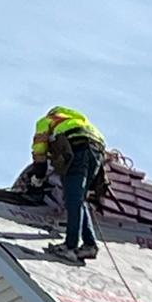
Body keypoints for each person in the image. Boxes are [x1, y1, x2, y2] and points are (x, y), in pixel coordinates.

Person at [30, 107, 107, 265]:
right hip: (97, 150)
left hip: (78, 148)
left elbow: (39, 149)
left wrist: (38, 175)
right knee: (78, 199)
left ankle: (70, 247)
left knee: (72, 199)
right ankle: (89, 245)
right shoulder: (77, 120)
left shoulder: (46, 121)